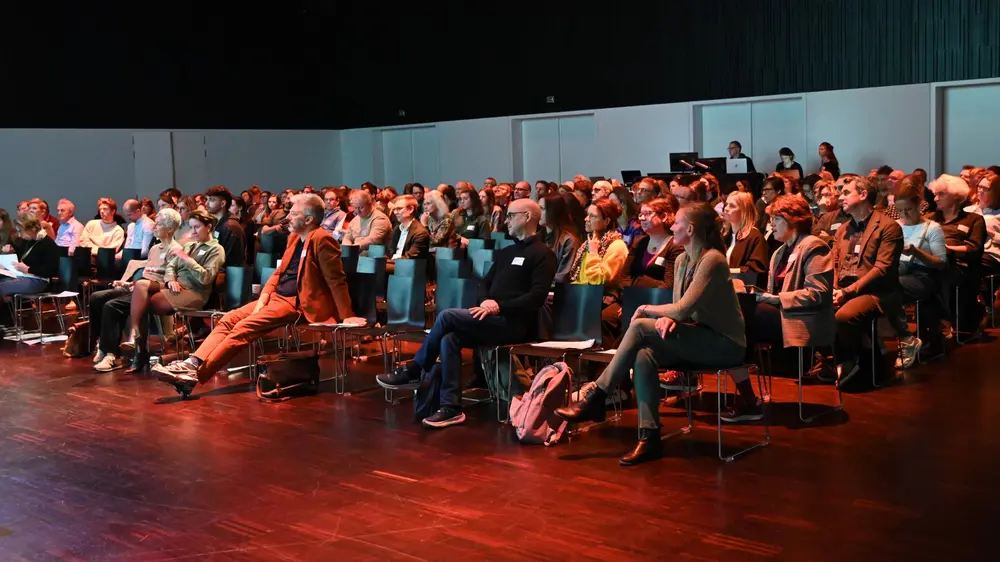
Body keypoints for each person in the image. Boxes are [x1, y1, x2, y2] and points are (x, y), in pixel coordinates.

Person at [555, 203, 753, 466]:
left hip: (725, 344)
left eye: (677, 223)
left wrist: (649, 309)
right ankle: (649, 436)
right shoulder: (682, 259)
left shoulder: (713, 259)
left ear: (690, 229)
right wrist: (667, 318)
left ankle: (596, 395)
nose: (672, 226)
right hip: (696, 337)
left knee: (639, 326)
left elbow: (683, 308)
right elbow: (678, 307)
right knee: (644, 354)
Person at [153, 194, 365, 396]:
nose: (288, 216)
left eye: (293, 213)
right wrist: (264, 296)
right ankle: (192, 363)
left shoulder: (322, 239)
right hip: (275, 298)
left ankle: (194, 374)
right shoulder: (294, 237)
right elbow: (279, 273)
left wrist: (346, 315)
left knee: (243, 328)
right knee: (228, 319)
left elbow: (336, 280)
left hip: (297, 303)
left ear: (309, 219)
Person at [375, 198, 557, 429]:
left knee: (448, 316)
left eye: (511, 215)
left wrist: (500, 306)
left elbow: (536, 298)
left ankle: (414, 369)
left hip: (515, 324)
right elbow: (483, 283)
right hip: (492, 318)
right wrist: (486, 300)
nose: (506, 220)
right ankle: (451, 407)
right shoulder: (508, 251)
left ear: (528, 217)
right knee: (450, 338)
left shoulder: (543, 254)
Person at [830, 175, 903, 386]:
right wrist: (835, 289)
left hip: (876, 290)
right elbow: (835, 263)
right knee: (818, 309)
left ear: (863, 195)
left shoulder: (888, 226)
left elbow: (882, 268)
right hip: (845, 288)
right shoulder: (843, 229)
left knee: (844, 316)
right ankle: (845, 359)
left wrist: (847, 292)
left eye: (845, 192)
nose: (839, 196)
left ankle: (857, 361)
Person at [750, 196, 835, 375]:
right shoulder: (778, 253)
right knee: (742, 305)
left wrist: (775, 299)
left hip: (803, 318)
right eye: (771, 219)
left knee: (753, 312)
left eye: (777, 219)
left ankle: (737, 363)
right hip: (782, 315)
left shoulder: (813, 246)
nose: (771, 224)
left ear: (794, 220)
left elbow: (818, 294)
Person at [0, 213, 59, 300]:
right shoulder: (29, 241)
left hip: (40, 281)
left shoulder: (48, 244)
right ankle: (8, 310)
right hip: (26, 277)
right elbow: (24, 260)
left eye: (21, 231)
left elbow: (51, 271)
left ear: (31, 229)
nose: (19, 235)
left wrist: (27, 269)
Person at [386, 194, 430, 270]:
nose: (395, 212)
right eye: (394, 209)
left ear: (410, 209)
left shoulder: (420, 232)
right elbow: (390, 253)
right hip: (394, 264)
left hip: (409, 269)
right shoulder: (397, 229)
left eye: (399, 209)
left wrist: (385, 263)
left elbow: (409, 258)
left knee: (377, 268)